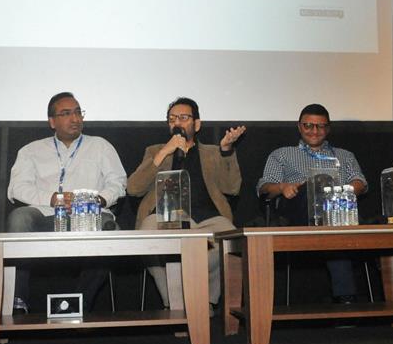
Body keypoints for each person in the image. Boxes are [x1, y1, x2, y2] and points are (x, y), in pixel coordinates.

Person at [6, 92, 127, 311]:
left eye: (78, 112)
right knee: (19, 217)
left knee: (110, 230)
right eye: (66, 113)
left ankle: (76, 303)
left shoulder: (100, 146)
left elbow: (118, 183)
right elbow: (16, 188)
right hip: (46, 214)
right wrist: (51, 199)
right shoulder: (31, 150)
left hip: (90, 214)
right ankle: (17, 301)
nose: (75, 118)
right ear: (52, 122)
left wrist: (98, 199)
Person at [129, 97, 245, 309]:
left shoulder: (212, 152)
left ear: (197, 124)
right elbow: (133, 189)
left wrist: (227, 151)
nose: (177, 123)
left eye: (183, 117)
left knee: (231, 239)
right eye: (172, 119)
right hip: (162, 217)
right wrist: (166, 151)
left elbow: (232, 187)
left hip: (207, 219)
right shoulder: (155, 151)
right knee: (146, 238)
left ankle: (203, 301)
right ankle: (175, 303)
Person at [256, 104, 365, 304]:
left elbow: (359, 182)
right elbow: (264, 187)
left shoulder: (344, 155)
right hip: (296, 210)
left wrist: (344, 191)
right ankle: (345, 296)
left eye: (320, 126)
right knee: (313, 187)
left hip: (337, 210)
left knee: (335, 212)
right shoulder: (282, 154)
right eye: (308, 126)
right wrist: (282, 187)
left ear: (328, 129)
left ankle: (346, 299)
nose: (314, 131)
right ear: (299, 127)